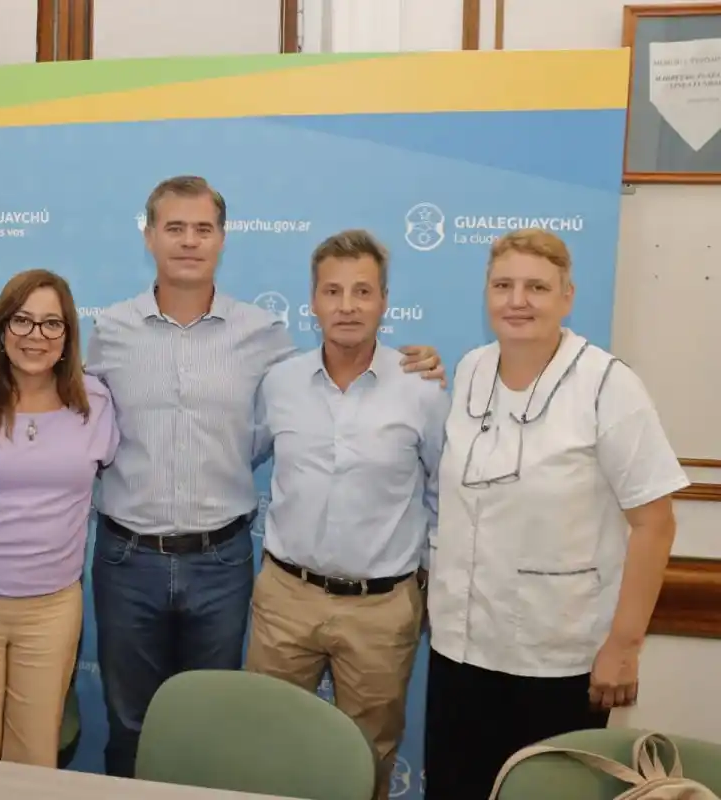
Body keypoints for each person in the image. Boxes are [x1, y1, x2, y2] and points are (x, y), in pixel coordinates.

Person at [85, 175, 446, 778]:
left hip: (222, 563)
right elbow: (78, 419)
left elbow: (426, 474)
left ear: (222, 238)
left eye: (203, 228)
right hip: (128, 561)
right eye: (175, 228)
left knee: (224, 732)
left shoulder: (266, 338)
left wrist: (424, 362)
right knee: (130, 725)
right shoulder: (109, 331)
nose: (189, 241)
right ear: (149, 237)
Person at [424, 229, 689, 800]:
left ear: (567, 297)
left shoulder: (608, 385)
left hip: (558, 659)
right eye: (503, 285)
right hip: (461, 648)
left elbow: (655, 523)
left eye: (537, 287)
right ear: (486, 294)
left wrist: (624, 646)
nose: (518, 300)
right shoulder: (471, 369)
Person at [246, 230, 448, 800]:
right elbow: (241, 454)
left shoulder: (421, 389)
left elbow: (443, 494)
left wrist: (428, 584)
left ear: (384, 301)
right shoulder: (280, 383)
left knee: (368, 759)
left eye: (362, 291)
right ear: (313, 301)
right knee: (265, 747)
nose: (347, 306)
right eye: (332, 291)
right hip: (286, 598)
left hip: (381, 609)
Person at [0, 269, 118, 767]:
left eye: (52, 323)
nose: (36, 336)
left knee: (34, 754)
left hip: (52, 608)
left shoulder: (96, 406)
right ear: (0, 329)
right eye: (22, 320)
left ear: (68, 335)